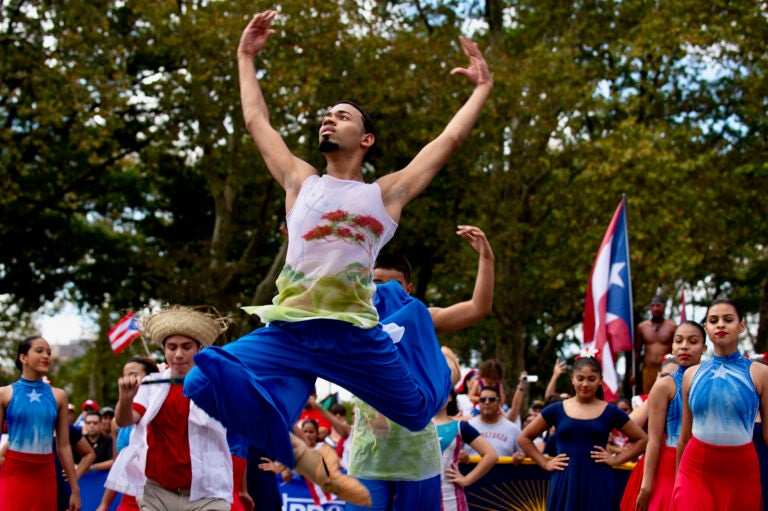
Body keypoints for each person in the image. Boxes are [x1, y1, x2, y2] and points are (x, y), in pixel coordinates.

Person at [182, 8, 492, 507]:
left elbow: (448, 141)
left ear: (365, 140)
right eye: (327, 114)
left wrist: (480, 89)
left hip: (352, 334)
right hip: (293, 329)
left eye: (342, 115)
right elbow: (255, 120)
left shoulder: (384, 195)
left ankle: (420, 346)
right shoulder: (300, 181)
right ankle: (305, 458)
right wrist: (244, 56)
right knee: (201, 380)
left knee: (415, 412)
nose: (329, 117)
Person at [346, 225, 494, 511]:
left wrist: (487, 258)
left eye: (395, 285)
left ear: (409, 289)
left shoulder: (423, 317)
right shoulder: (355, 321)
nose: (385, 291)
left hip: (417, 457)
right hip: (369, 455)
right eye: (376, 282)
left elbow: (479, 307)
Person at [106, 306, 233, 510]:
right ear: (164, 350)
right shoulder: (151, 385)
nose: (178, 354)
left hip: (207, 492)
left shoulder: (218, 384)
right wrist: (126, 400)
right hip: (157, 492)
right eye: (172, 347)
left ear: (199, 349)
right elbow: (124, 421)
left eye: (186, 347)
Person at [671, 298, 768, 510]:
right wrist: (677, 480)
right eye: (713, 320)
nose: (720, 325)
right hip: (695, 467)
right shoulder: (691, 375)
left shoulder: (761, 373)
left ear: (741, 325)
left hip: (741, 469)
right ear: (707, 328)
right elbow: (685, 435)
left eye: (728, 319)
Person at [518, 352, 647, 511]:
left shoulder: (610, 411)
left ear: (600, 380)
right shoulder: (556, 409)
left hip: (598, 480)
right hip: (565, 480)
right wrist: (544, 462)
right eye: (580, 378)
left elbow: (642, 440)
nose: (585, 384)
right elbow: (524, 438)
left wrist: (616, 460)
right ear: (572, 379)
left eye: (591, 379)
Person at [0, 336, 82, 511]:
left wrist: (75, 490)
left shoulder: (59, 396)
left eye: (49, 353)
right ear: (23, 358)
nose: (46, 356)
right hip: (14, 472)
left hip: (45, 474)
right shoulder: (4, 394)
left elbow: (64, 446)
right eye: (39, 351)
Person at [633, 320, 706, 511]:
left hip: (705, 462)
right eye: (678, 340)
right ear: (672, 346)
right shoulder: (664, 385)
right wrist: (646, 486)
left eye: (692, 341)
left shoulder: (712, 382)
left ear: (704, 347)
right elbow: (654, 440)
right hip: (669, 465)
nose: (684, 346)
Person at [97, 357, 160, 511]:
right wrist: (104, 504)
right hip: (129, 500)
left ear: (151, 378)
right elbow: (117, 465)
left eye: (133, 375)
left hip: (158, 498)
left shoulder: (159, 413)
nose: (127, 380)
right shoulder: (116, 423)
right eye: (124, 376)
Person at [434, 389, 497, 510]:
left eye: (442, 390)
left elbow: (491, 455)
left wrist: (467, 479)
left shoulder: (460, 426)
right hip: (421, 497)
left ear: (450, 397)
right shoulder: (418, 426)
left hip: (452, 500)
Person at [467, 387, 524, 460]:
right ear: (479, 402)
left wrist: (520, 455)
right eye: (483, 399)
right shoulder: (467, 427)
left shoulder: (513, 429)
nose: (487, 402)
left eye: (492, 399)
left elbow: (522, 454)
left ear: (499, 402)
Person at [635, 295, 676, 394]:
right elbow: (637, 350)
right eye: (653, 306)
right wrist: (633, 372)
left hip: (666, 369)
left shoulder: (672, 326)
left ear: (663, 307)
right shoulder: (642, 327)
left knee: (666, 397)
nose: (655, 308)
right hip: (648, 369)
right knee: (647, 398)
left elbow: (676, 349)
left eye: (658, 305)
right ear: (650, 307)